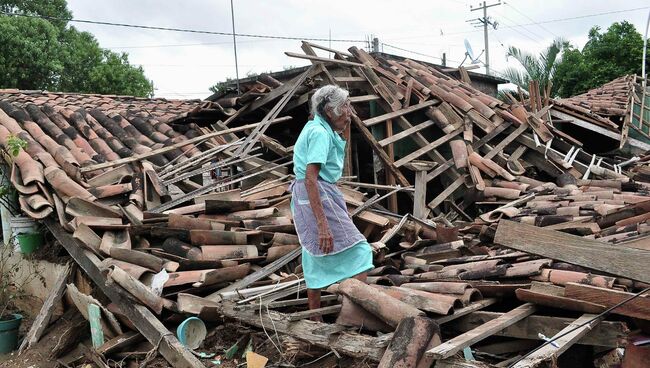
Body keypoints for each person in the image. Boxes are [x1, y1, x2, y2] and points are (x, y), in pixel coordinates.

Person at [290, 85, 374, 320]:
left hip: (313, 195)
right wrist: (323, 225)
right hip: (315, 193)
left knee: (314, 254)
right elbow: (310, 178)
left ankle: (315, 318)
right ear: (330, 111)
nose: (349, 112)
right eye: (345, 107)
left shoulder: (319, 127)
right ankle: (353, 316)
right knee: (361, 252)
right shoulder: (319, 133)